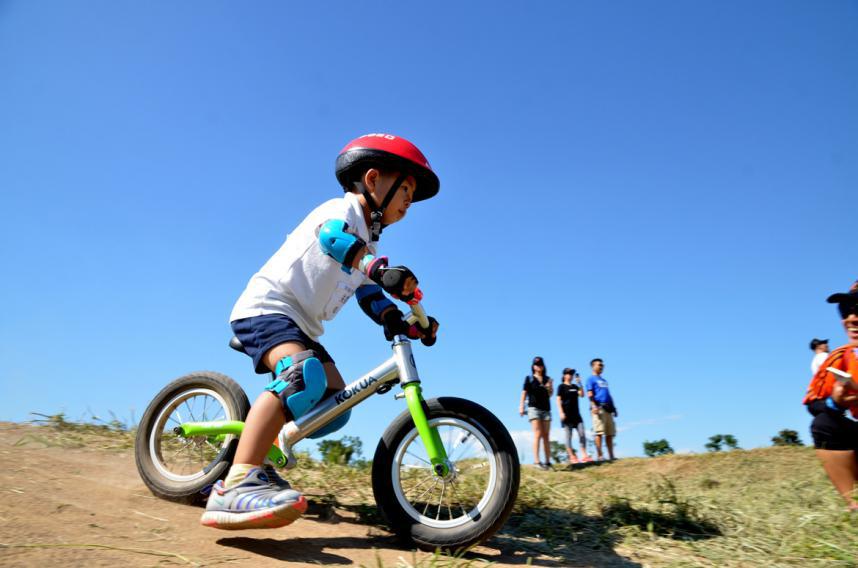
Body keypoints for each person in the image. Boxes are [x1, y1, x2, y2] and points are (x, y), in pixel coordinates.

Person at [201, 133, 440, 529]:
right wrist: (381, 271)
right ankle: (237, 484)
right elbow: (333, 241)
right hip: (268, 308)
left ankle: (261, 454)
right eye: (406, 189)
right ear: (373, 179)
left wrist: (395, 317)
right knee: (302, 377)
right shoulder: (341, 212)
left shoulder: (368, 240)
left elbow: (366, 292)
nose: (409, 201)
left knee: (335, 406)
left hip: (301, 325)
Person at [803, 280, 858, 512]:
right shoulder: (840, 357)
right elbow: (813, 403)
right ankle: (854, 505)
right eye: (846, 311)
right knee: (823, 424)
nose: (852, 318)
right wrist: (834, 403)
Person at [519, 356, 553, 470]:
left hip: (546, 409)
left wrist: (550, 387)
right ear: (533, 366)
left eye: (540, 364)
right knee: (538, 434)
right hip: (534, 409)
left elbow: (550, 394)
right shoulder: (529, 379)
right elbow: (524, 393)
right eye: (536, 364)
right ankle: (537, 461)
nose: (538, 366)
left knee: (546, 436)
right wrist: (521, 406)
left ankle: (548, 462)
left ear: (543, 366)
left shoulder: (547, 379)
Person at [555, 368, 591, 464]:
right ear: (564, 375)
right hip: (566, 415)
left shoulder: (575, 386)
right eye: (568, 373)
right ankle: (572, 456)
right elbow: (558, 400)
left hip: (577, 415)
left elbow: (582, 395)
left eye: (572, 374)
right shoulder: (561, 387)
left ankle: (584, 455)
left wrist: (580, 383)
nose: (570, 375)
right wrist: (561, 412)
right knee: (568, 436)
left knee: (582, 434)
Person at [586, 358, 617, 461]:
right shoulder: (590, 379)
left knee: (610, 433)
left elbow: (608, 394)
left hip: (608, 408)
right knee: (599, 432)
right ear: (593, 366)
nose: (602, 367)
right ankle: (600, 456)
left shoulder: (604, 381)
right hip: (598, 407)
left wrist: (614, 408)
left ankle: (611, 456)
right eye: (599, 365)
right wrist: (593, 405)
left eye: (602, 365)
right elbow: (590, 393)